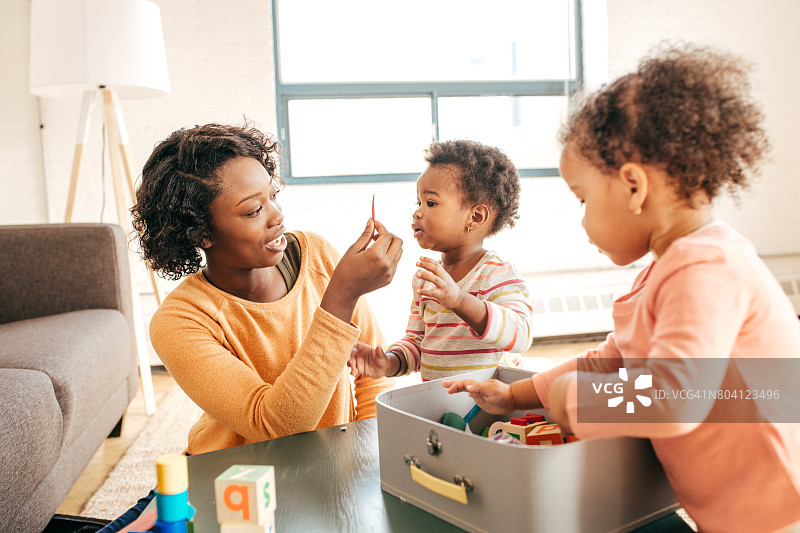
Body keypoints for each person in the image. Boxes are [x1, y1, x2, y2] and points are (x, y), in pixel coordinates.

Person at [443, 44, 800, 533]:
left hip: (778, 512)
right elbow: (611, 360)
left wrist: (576, 400)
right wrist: (515, 395)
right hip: (731, 512)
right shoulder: (670, 269)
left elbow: (676, 397)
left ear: (634, 186)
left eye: (583, 199)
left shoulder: (705, 268)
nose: (582, 219)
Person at [131, 122, 403, 456]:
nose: (277, 216)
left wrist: (367, 454)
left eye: (272, 196)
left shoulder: (317, 255)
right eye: (254, 210)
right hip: (230, 475)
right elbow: (275, 426)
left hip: (329, 468)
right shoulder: (179, 321)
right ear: (201, 234)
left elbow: (374, 373)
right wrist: (342, 296)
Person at [349, 140, 533, 382]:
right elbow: (418, 343)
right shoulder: (426, 279)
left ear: (475, 217)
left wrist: (459, 300)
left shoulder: (496, 273)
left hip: (489, 403)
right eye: (419, 202)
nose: (417, 212)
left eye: (431, 203)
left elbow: (521, 334)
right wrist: (389, 363)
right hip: (438, 401)